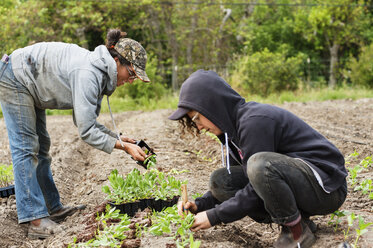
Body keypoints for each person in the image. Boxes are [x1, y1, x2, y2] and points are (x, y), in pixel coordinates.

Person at [169, 70, 347, 248]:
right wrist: (200, 205)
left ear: (212, 106)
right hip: (302, 184)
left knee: (259, 166)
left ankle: (296, 232)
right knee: (221, 180)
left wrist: (214, 216)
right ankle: (301, 221)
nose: (198, 127)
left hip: (326, 188)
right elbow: (245, 182)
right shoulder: (231, 133)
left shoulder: (254, 122)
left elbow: (256, 183)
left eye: (197, 118)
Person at [0, 29, 151, 239]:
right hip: (16, 76)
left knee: (42, 148)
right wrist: (124, 147)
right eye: (132, 73)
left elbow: (86, 121)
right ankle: (34, 219)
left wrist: (118, 138)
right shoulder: (89, 73)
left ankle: (52, 208)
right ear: (117, 62)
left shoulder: (99, 74)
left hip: (31, 83)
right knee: (26, 147)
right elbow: (86, 131)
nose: (131, 80)